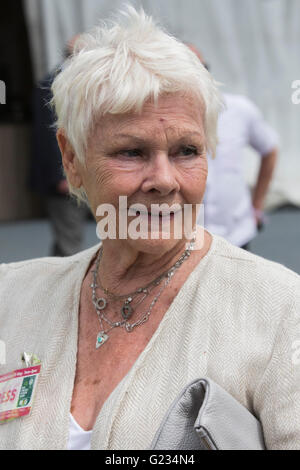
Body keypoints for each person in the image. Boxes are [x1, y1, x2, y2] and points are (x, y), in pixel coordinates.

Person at [0, 7, 299, 450]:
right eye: (132, 152)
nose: (164, 179)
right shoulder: (12, 295)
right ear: (71, 159)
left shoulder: (279, 312)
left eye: (186, 150)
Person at [188, 45, 279, 249]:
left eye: (201, 68)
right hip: (184, 239)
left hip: (235, 235)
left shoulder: (239, 110)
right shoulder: (159, 120)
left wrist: (257, 206)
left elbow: (270, 149)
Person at [30, 36, 90, 257]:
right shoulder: (51, 85)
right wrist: (62, 174)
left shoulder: (74, 83)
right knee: (69, 240)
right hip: (64, 177)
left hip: (77, 170)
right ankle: (67, 288)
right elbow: (47, 136)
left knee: (68, 236)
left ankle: (53, 283)